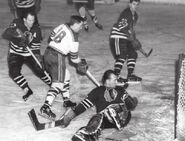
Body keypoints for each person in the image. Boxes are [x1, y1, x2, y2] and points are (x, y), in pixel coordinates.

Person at [60, 69, 138, 141]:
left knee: (111, 109)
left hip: (122, 116)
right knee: (97, 117)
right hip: (107, 119)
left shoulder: (120, 89)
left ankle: (114, 116)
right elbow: (83, 106)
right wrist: (69, 117)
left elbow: (130, 105)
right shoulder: (97, 92)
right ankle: (86, 134)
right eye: (114, 80)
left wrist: (133, 101)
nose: (116, 82)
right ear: (107, 81)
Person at [39, 15, 89, 120]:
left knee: (66, 75)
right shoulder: (74, 38)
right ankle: (45, 107)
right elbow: (74, 59)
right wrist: (81, 62)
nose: (81, 28)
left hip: (47, 53)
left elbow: (51, 37)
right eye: (80, 25)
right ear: (75, 24)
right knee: (58, 83)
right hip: (57, 57)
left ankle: (66, 101)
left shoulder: (63, 25)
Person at [2, 11, 52, 101]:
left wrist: (38, 58)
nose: (31, 22)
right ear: (24, 19)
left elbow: (36, 48)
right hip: (15, 53)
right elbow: (5, 34)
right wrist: (17, 37)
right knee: (13, 72)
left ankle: (52, 84)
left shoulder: (36, 29)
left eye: (33, 20)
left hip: (29, 53)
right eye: (29, 20)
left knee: (40, 69)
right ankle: (27, 89)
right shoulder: (17, 23)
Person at [109, 0, 142, 83]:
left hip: (126, 37)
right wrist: (131, 37)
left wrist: (134, 39)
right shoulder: (126, 13)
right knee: (122, 55)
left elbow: (130, 29)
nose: (135, 6)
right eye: (134, 4)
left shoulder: (136, 15)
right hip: (118, 36)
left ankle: (130, 76)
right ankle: (116, 77)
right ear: (130, 4)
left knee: (133, 54)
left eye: (137, 4)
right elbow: (121, 27)